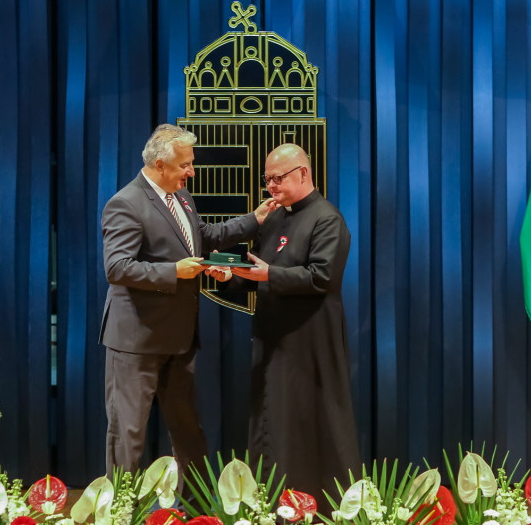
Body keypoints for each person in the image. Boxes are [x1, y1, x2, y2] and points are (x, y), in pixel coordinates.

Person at [99, 123, 277, 477]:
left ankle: (193, 504)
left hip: (179, 339)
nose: (191, 172)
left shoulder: (181, 197)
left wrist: (254, 220)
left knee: (188, 431)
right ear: (160, 165)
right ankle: (121, 505)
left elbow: (204, 236)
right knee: (127, 435)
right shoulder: (125, 203)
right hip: (137, 341)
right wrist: (173, 271)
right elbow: (117, 268)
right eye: (185, 165)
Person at [228, 143, 361, 509]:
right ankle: (274, 504)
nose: (271, 186)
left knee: (310, 422)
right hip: (273, 339)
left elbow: (323, 277)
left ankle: (322, 506)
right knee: (273, 421)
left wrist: (269, 274)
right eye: (267, 179)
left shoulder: (327, 219)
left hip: (311, 342)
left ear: (303, 173)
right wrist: (230, 276)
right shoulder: (272, 219)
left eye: (278, 178)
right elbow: (256, 271)